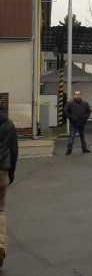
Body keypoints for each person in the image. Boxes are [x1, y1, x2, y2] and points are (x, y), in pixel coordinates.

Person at [0, 113, 19, 268]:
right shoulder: (9, 124)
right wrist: (11, 174)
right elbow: (14, 151)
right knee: (0, 210)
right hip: (2, 171)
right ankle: (0, 245)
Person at [63, 90, 92, 155]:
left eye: (78, 94)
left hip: (82, 123)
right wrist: (70, 118)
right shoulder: (70, 103)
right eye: (76, 94)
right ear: (74, 95)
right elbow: (65, 111)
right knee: (72, 136)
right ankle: (69, 150)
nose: (77, 95)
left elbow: (88, 111)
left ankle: (84, 149)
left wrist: (85, 119)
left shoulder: (85, 103)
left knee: (82, 136)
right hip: (73, 123)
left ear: (81, 95)